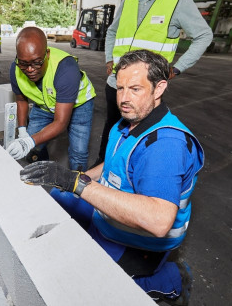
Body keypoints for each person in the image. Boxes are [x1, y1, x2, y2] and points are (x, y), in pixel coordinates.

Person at [20, 50, 204, 306]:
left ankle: (170, 280)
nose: (124, 99)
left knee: (96, 286)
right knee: (61, 196)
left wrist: (77, 184)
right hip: (113, 218)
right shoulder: (130, 122)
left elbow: (159, 221)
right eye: (120, 88)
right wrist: (73, 178)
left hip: (142, 241)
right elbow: (114, 164)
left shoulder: (166, 146)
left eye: (135, 89)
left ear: (159, 88)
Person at [94, 0, 212, 166]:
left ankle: (127, 169)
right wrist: (109, 58)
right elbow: (113, 31)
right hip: (116, 83)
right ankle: (103, 164)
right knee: (112, 126)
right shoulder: (130, 0)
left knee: (139, 131)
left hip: (144, 90)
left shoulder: (178, 0)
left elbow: (204, 35)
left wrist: (179, 67)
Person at [6, 27, 96, 171]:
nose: (30, 69)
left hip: (79, 106)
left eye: (36, 62)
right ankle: (41, 173)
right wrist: (22, 131)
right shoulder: (15, 69)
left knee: (78, 153)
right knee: (32, 148)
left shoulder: (66, 68)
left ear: (47, 54)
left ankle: (76, 190)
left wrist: (30, 141)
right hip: (45, 105)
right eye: (24, 63)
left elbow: (60, 123)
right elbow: (21, 100)